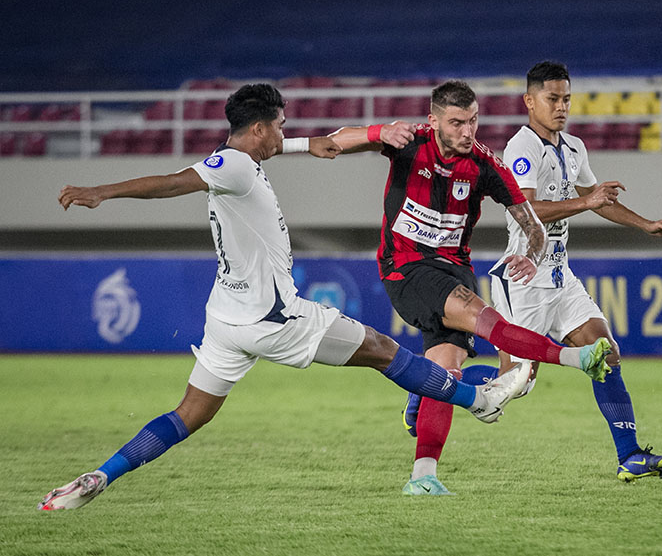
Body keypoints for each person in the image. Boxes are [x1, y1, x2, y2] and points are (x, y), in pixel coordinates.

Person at [37, 83, 532, 511]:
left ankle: (99, 476)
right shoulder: (231, 166)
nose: (284, 133)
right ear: (258, 130)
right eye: (280, 126)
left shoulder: (243, 155)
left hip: (226, 321)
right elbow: (172, 182)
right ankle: (478, 398)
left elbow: (307, 144)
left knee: (190, 413)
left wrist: (322, 143)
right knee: (383, 350)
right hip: (275, 318)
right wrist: (102, 192)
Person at [325, 80, 613, 495]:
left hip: (454, 269)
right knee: (487, 319)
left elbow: (532, 225)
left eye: (473, 121)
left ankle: (422, 477)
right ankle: (575, 358)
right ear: (434, 120)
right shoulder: (409, 143)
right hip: (406, 266)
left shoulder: (486, 165)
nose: (467, 131)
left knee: (444, 374)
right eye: (457, 123)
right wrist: (377, 132)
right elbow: (337, 141)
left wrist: (531, 256)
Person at [490, 60, 662, 481]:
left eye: (566, 99)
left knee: (607, 354)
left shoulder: (574, 147)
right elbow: (524, 208)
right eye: (552, 98)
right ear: (529, 101)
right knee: (516, 381)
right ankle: (433, 388)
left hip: (560, 276)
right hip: (523, 279)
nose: (561, 107)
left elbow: (600, 200)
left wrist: (647, 224)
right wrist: (586, 202)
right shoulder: (520, 148)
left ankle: (629, 455)